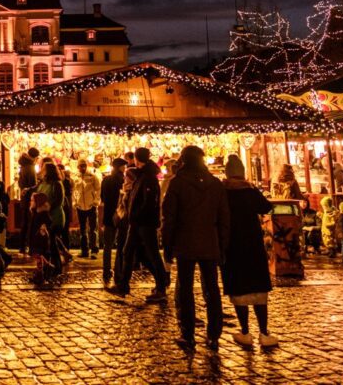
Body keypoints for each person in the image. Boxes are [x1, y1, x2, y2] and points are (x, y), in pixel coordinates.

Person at [161, 145, 230, 352]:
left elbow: (169, 218)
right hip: (210, 242)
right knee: (212, 289)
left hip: (185, 243)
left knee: (185, 289)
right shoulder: (215, 184)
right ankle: (214, 334)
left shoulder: (178, 184)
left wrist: (168, 245)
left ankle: (188, 333)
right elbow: (224, 217)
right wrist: (222, 245)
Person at [221, 155, 278, 349]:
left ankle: (245, 331)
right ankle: (264, 331)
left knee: (239, 289)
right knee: (258, 289)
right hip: (253, 242)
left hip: (232, 244)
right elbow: (266, 207)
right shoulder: (249, 190)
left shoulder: (223, 191)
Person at [117, 148, 170, 301]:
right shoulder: (143, 175)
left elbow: (148, 202)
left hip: (144, 222)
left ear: (137, 159)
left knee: (151, 253)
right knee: (130, 252)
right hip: (137, 222)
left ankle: (161, 286)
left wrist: (136, 214)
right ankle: (123, 286)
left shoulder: (148, 177)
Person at [36, 160, 67, 281]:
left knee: (52, 243)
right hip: (43, 216)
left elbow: (59, 200)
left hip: (54, 217)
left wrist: (48, 207)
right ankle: (49, 267)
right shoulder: (43, 183)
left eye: (43, 169)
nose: (41, 171)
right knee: (46, 243)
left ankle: (57, 267)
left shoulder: (57, 184)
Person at [100, 157, 126, 286]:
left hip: (108, 215)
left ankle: (106, 271)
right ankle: (118, 271)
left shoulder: (106, 180)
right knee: (121, 245)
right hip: (120, 216)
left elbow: (102, 198)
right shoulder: (122, 180)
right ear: (120, 167)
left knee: (107, 246)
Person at [72, 158, 101, 259]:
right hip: (80, 207)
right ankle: (84, 250)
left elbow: (98, 189)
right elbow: (74, 191)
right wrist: (75, 203)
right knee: (82, 229)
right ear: (78, 167)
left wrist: (95, 202)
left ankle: (94, 250)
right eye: (81, 166)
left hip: (91, 206)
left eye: (84, 165)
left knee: (93, 229)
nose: (83, 167)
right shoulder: (75, 178)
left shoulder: (93, 176)